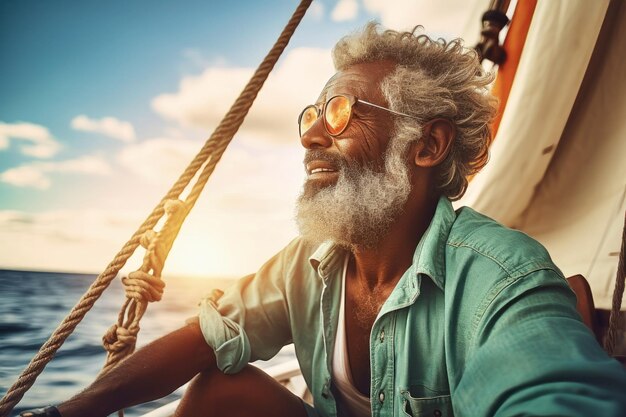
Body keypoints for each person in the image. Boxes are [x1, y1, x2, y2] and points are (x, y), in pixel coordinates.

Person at [22, 23, 626, 417]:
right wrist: (60, 413)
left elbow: (554, 393)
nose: (311, 133)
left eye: (340, 112)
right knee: (219, 393)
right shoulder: (309, 261)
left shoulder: (503, 277)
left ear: (427, 146)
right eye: (313, 111)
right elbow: (206, 336)